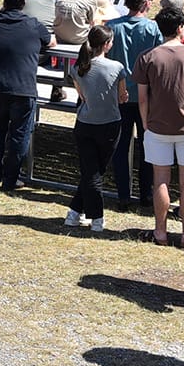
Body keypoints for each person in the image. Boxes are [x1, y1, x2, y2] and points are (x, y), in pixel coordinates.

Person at [135, 7, 184, 247]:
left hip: (157, 126)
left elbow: (143, 98)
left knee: (161, 180)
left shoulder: (148, 57)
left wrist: (146, 122)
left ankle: (160, 232)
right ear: (181, 28)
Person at [0, 0, 53, 190]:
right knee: (19, 134)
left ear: (4, 2)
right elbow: (51, 42)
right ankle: (11, 178)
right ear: (23, 5)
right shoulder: (32, 24)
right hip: (23, 87)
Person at [106, 0, 163, 212]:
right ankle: (146, 195)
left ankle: (123, 195)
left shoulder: (112, 27)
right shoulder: (152, 29)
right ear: (145, 2)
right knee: (147, 146)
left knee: (121, 147)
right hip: (145, 97)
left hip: (119, 95)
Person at [65, 25, 126, 231]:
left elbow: (82, 95)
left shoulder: (78, 68)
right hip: (109, 124)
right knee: (95, 172)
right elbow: (122, 97)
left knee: (91, 171)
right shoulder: (116, 67)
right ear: (107, 44)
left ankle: (74, 212)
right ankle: (96, 217)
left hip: (84, 123)